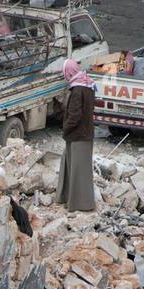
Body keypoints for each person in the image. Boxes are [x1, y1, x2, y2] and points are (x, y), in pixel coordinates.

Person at [57, 60, 97, 213]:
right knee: (81, 170)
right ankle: (77, 200)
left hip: (77, 135)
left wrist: (66, 128)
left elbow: (75, 115)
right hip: (86, 134)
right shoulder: (88, 85)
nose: (64, 75)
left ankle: (79, 203)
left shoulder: (77, 90)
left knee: (76, 171)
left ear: (69, 72)